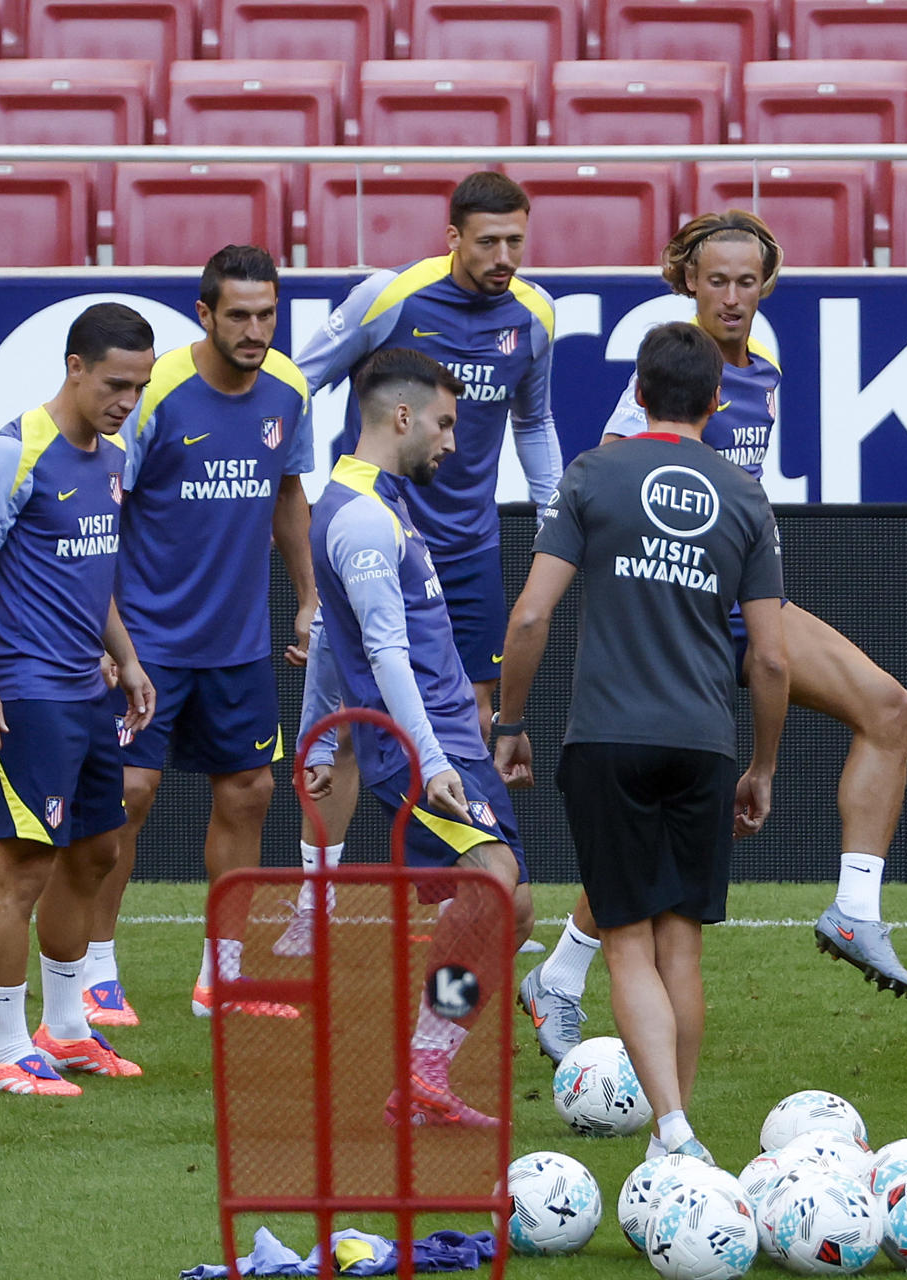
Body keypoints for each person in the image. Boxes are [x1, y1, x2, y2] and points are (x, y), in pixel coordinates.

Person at [514, 209, 907, 1066]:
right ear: (685, 282)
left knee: (890, 708)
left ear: (767, 285)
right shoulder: (659, 378)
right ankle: (559, 978)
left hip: (744, 609)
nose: (732, 297)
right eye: (716, 280)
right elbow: (615, 488)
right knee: (647, 845)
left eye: (747, 281)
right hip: (679, 619)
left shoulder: (764, 373)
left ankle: (854, 908)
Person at [494, 321, 788, 1162]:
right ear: (716, 400)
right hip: (704, 742)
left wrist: (510, 724)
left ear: (642, 393)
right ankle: (675, 1137)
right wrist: (763, 764)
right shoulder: (744, 495)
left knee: (625, 939)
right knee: (681, 942)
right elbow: (769, 654)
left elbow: (531, 614)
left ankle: (672, 1130)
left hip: (608, 738)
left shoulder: (592, 474)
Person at [280, 172, 558, 956]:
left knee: (464, 715)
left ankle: (464, 895)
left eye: (516, 241)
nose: (504, 257)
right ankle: (317, 902)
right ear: (453, 239)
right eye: (488, 242)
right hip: (374, 535)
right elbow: (299, 385)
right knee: (353, 719)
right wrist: (307, 504)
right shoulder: (391, 298)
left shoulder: (534, 315)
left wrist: (551, 515)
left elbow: (533, 421)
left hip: (463, 550)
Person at [309, 347, 535, 1127]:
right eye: (444, 423)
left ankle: (429, 1068)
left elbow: (327, 638)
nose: (453, 442)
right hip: (422, 749)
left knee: (518, 908)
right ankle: (423, 1076)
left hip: (453, 744)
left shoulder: (377, 500)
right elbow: (378, 651)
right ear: (401, 416)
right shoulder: (365, 519)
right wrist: (430, 759)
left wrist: (312, 738)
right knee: (493, 880)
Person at [92, 245, 317, 1022]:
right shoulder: (155, 397)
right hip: (146, 637)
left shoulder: (289, 388)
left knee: (249, 793)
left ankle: (222, 978)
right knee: (128, 794)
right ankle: (94, 968)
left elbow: (290, 494)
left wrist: (307, 597)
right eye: (240, 315)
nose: (255, 330)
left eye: (267, 314)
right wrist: (101, 630)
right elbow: (102, 509)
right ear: (205, 314)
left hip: (241, 642)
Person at [0, 302, 158, 1095]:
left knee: (96, 853)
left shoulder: (110, 455)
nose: (125, 401)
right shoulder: (15, 452)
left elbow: (88, 572)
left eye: (137, 387)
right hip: (25, 693)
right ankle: (7, 1056)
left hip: (88, 690)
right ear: (74, 367)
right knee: (24, 868)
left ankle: (65, 1032)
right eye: (113, 384)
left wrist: (126, 661)